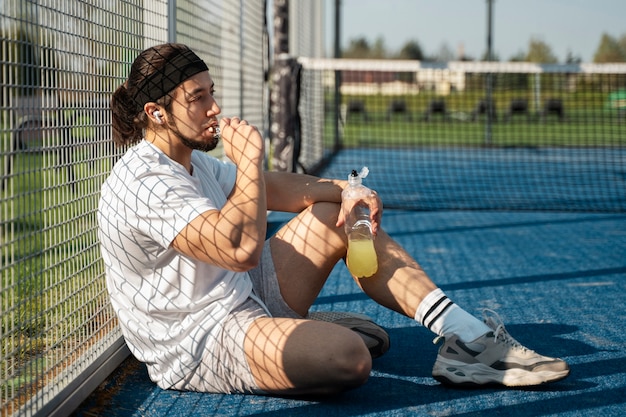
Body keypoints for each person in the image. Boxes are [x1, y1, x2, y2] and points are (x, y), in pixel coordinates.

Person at [98, 43, 569, 396]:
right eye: (198, 98)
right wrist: (247, 165)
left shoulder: (192, 160)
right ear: (156, 113)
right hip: (199, 341)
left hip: (239, 295)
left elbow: (275, 187)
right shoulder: (144, 181)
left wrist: (346, 190)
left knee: (333, 216)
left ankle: (467, 337)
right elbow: (238, 250)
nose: (214, 108)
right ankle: (306, 336)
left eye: (211, 93)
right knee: (350, 358)